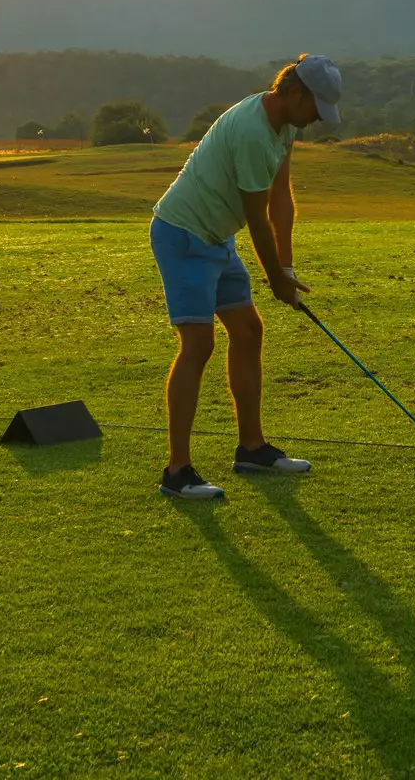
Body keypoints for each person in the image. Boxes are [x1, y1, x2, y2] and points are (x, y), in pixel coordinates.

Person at [149, 54, 343, 498]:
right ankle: (177, 472)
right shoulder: (253, 133)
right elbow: (258, 220)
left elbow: (281, 199)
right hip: (183, 235)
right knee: (198, 343)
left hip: (217, 237)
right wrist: (275, 280)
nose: (317, 119)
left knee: (249, 331)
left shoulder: (286, 124)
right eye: (316, 107)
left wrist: (288, 269)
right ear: (293, 92)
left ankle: (251, 449)